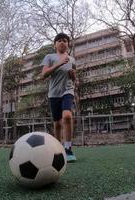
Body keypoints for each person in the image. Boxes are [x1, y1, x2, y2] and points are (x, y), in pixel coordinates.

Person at [40, 33, 76, 162]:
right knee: (57, 123)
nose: (62, 42)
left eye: (65, 41)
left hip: (68, 91)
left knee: (67, 116)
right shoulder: (49, 57)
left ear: (68, 44)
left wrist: (73, 74)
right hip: (54, 93)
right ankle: (58, 148)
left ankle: (68, 148)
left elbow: (74, 78)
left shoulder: (72, 59)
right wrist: (59, 64)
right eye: (59, 40)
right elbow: (44, 74)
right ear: (55, 44)